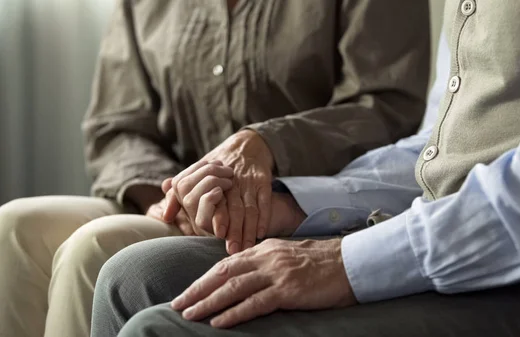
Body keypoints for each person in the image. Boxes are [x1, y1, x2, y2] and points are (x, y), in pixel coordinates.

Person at [90, 1, 520, 336]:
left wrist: (345, 263)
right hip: (446, 229)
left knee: (158, 330)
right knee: (131, 276)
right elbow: (439, 146)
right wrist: (300, 205)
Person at [0, 1, 430, 337]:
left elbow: (386, 107)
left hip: (282, 207)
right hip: (164, 200)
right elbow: (116, 125)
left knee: (92, 248)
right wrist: (166, 198)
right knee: (15, 226)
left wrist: (265, 142)